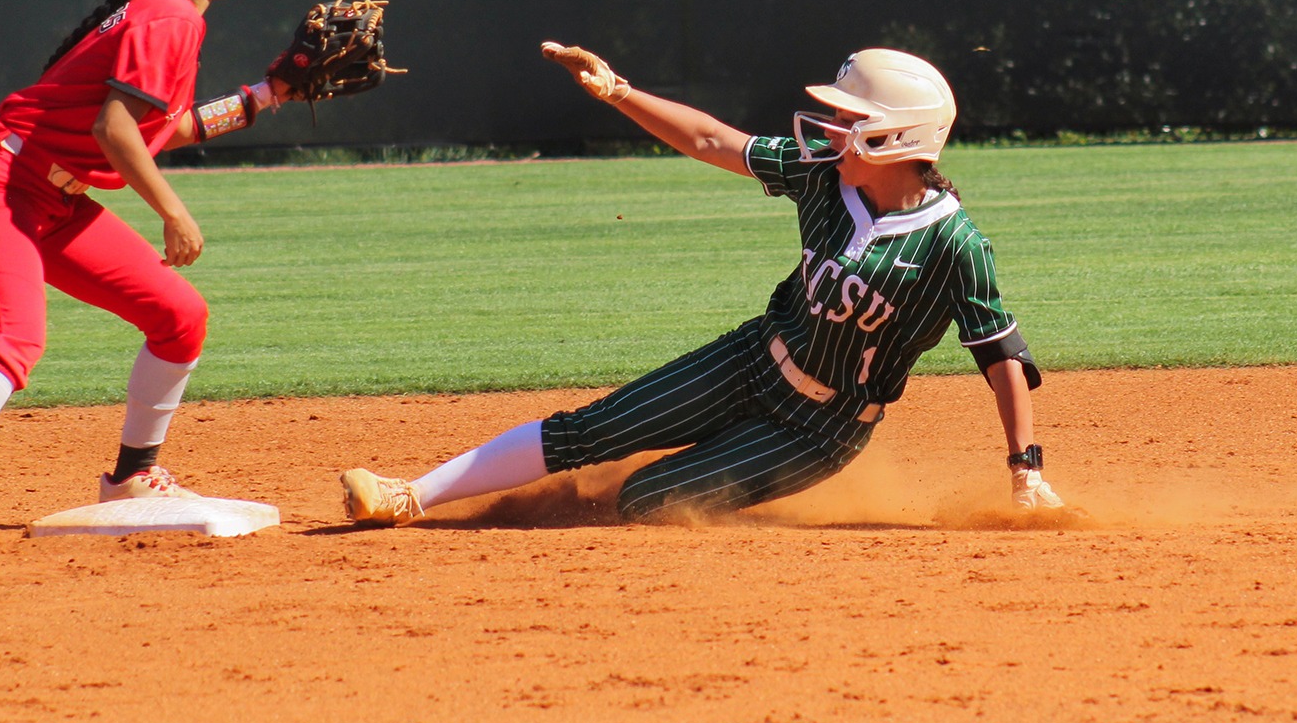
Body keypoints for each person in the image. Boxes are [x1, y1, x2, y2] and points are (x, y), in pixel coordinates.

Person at [340, 41, 1064, 526]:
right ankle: (408, 496)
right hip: (753, 359)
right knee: (588, 429)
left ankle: (622, 494)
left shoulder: (955, 244)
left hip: (820, 429)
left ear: (899, 138)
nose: (831, 127)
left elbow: (1000, 356)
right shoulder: (821, 175)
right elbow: (715, 140)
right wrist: (620, 92)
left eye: (852, 119)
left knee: (646, 499)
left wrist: (1024, 471)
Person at [0, 0, 288, 551]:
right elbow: (115, 130)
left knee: (179, 315)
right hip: (0, 183)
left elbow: (165, 128)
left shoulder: (165, 13)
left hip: (53, 200)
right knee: (16, 336)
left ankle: (133, 478)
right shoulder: (169, 16)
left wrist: (268, 94)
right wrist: (173, 212)